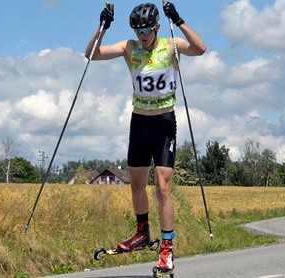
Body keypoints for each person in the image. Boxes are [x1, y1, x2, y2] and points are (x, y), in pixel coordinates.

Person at [85, 1, 206, 273]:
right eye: (138, 31)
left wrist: (179, 18)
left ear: (158, 27)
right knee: (136, 184)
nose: (143, 36)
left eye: (148, 30)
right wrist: (102, 26)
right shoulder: (130, 48)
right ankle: (142, 232)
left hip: (164, 123)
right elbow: (91, 54)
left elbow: (200, 48)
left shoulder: (171, 45)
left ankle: (167, 248)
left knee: (162, 187)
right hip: (139, 123)